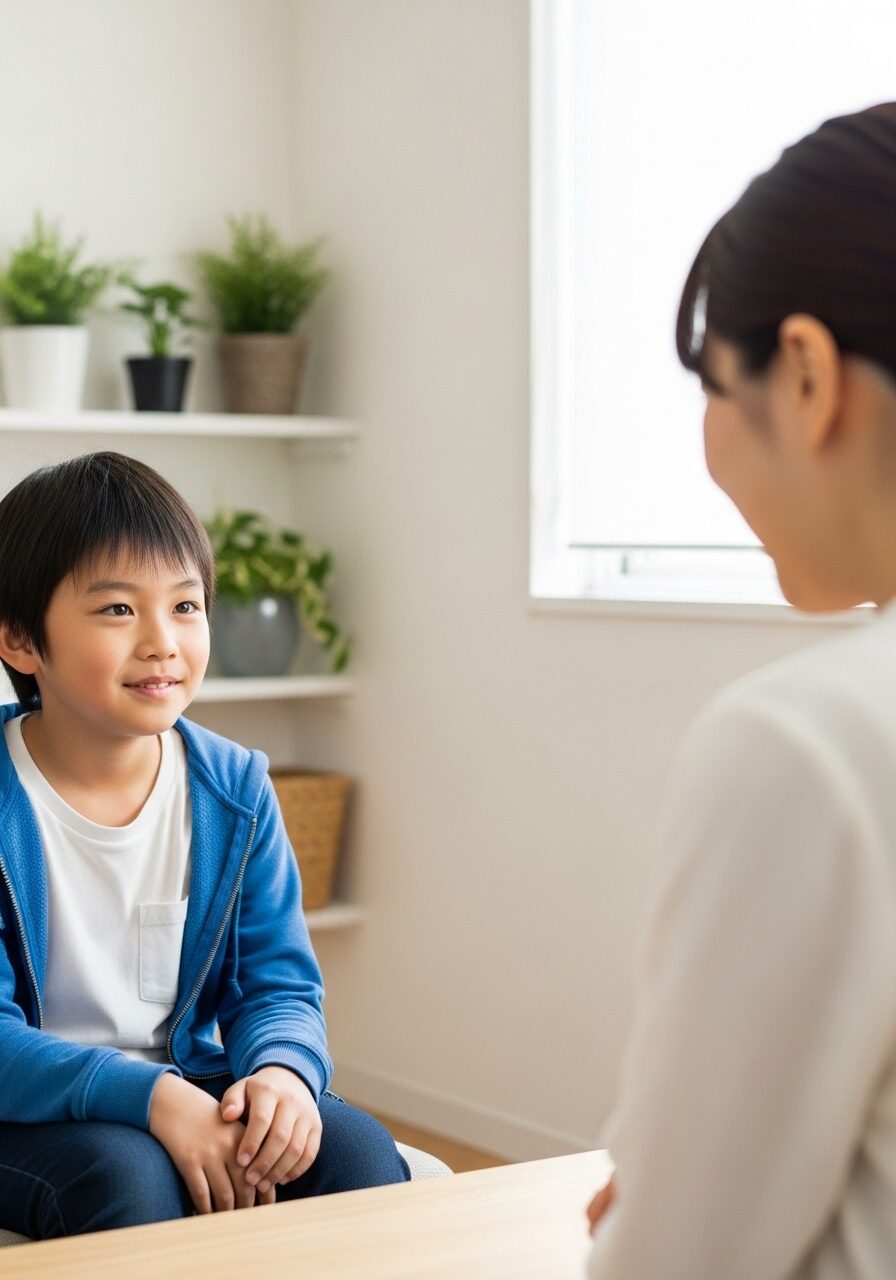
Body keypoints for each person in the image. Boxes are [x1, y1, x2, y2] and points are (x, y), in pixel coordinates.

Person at [586, 102, 896, 1279]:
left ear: (806, 375)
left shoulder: (807, 745)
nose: (709, 445)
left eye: (713, 386)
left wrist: (647, 1207)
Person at [0, 451, 408, 1238]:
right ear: (20, 638)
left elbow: (276, 986)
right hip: (26, 1106)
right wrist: (152, 1100)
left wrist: (283, 1076)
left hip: (189, 1078)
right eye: (118, 610)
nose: (163, 641)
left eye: (186, 606)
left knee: (354, 1151)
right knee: (129, 1178)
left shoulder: (234, 789)